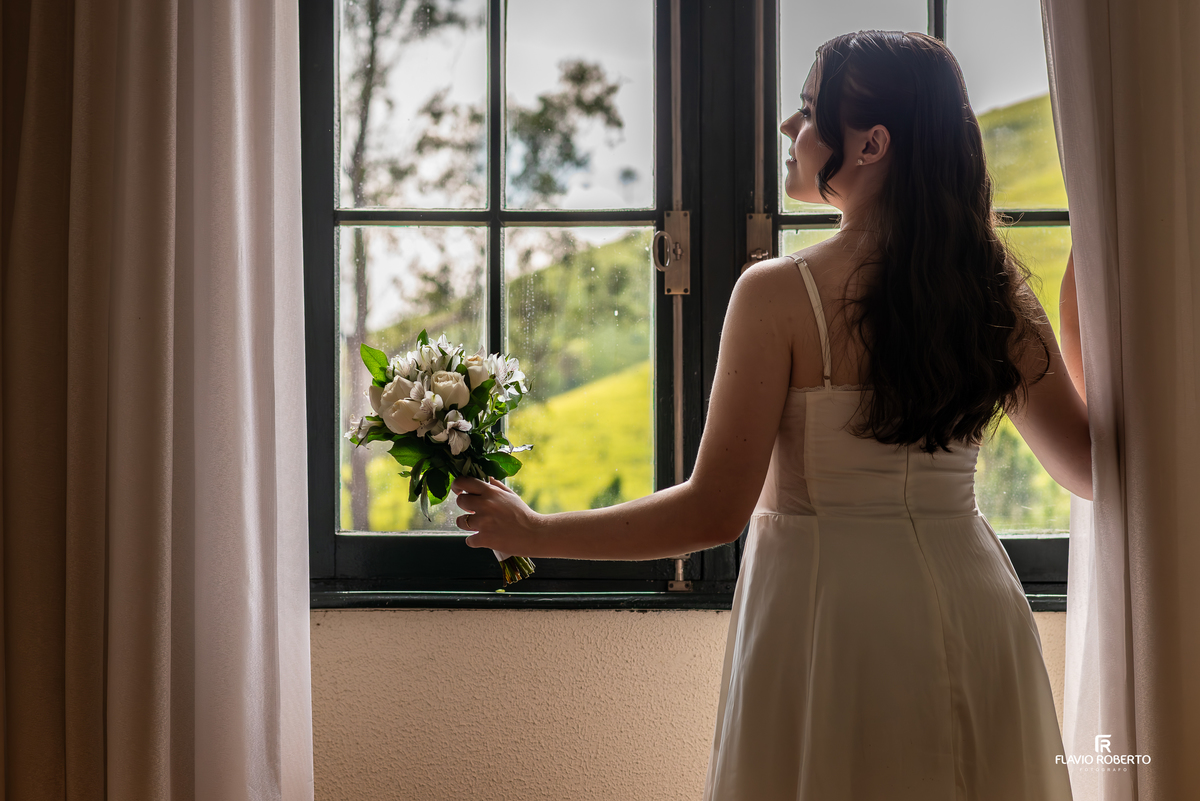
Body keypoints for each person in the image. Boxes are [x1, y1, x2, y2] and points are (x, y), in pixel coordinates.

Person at [451, 29, 1087, 801]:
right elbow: (1087, 468)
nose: (791, 128)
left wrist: (538, 532)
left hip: (832, 625)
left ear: (872, 144)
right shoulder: (997, 296)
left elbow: (716, 510)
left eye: (810, 110)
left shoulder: (780, 293)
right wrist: (1087, 293)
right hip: (974, 606)